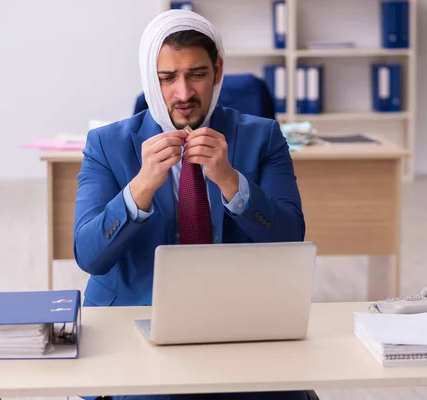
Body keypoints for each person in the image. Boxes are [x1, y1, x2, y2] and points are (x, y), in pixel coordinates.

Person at [73, 8, 306, 400]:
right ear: (151, 77)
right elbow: (89, 255)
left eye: (197, 74)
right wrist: (140, 187)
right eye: (167, 78)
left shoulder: (263, 136)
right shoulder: (107, 144)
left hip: (240, 323)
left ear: (217, 69)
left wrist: (232, 182)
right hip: (132, 323)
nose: (183, 94)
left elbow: (290, 237)